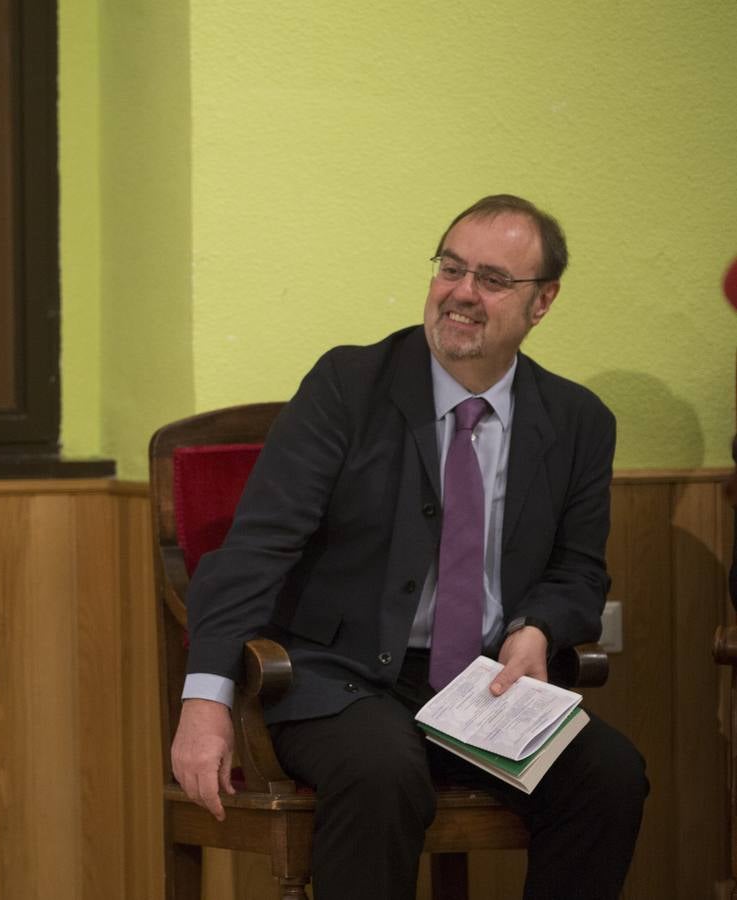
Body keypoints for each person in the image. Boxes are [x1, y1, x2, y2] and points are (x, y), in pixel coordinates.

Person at [171, 195, 648, 899]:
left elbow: (577, 569)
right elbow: (256, 548)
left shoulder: (577, 421)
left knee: (608, 775)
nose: (460, 293)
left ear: (541, 302)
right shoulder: (348, 385)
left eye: (491, 279)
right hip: (339, 678)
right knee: (381, 771)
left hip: (483, 686)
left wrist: (536, 627)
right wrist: (204, 698)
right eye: (449, 268)